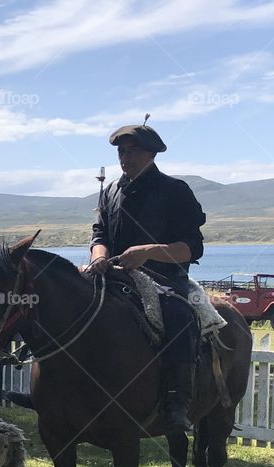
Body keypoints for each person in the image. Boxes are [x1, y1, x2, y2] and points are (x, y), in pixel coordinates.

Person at [85, 122, 205, 433]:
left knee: (180, 315)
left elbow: (191, 248)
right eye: (121, 152)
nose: (125, 157)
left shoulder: (175, 191)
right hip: (114, 276)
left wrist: (148, 251)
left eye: (132, 151)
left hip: (164, 279)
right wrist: (99, 256)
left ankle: (177, 402)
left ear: (151, 153)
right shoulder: (110, 191)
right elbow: (99, 236)